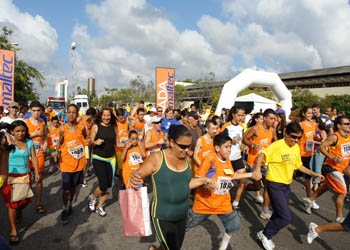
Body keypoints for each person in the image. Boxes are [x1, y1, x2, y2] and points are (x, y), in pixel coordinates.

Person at [130, 125, 216, 250]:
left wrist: (204, 180)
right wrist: (134, 176)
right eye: (183, 146)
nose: (187, 150)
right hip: (162, 215)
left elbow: (185, 184)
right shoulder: (157, 158)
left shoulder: (186, 159)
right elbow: (137, 175)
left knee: (173, 247)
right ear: (171, 142)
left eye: (189, 146)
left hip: (182, 214)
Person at [255, 122, 324, 250]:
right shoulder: (277, 145)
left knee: (278, 213)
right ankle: (265, 235)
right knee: (286, 217)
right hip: (274, 183)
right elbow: (261, 155)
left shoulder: (295, 147)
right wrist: (257, 170)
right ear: (286, 133)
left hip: (286, 185)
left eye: (299, 138)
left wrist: (314, 174)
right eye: (293, 137)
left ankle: (264, 233)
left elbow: (298, 165)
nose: (296, 140)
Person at [186, 133, 262, 250]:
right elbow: (198, 179)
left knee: (234, 224)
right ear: (217, 148)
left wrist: (252, 174)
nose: (229, 150)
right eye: (226, 147)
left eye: (230, 147)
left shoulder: (226, 160)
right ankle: (166, 243)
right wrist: (207, 184)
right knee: (185, 225)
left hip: (223, 203)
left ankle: (222, 248)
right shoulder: (210, 159)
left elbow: (232, 175)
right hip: (205, 204)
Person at [304, 116, 350, 222]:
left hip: (342, 168)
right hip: (331, 168)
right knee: (342, 193)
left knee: (326, 187)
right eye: (346, 124)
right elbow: (321, 147)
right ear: (339, 125)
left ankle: (309, 200)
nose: (349, 126)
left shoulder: (348, 136)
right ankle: (339, 217)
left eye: (349, 123)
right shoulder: (334, 137)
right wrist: (332, 157)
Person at [2, 120, 40, 244]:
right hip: (10, 177)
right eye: (17, 131)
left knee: (24, 201)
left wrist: (37, 173)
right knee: (12, 204)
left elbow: (33, 157)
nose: (21, 133)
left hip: (25, 176)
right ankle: (13, 230)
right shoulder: (7, 143)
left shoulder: (29, 142)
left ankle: (19, 211)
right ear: (12, 132)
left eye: (23, 130)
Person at [51, 104, 87, 224]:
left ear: (77, 114)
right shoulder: (63, 129)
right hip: (66, 164)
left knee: (73, 188)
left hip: (78, 163)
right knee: (66, 189)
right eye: (69, 112)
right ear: (66, 114)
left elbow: (85, 140)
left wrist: (91, 142)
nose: (71, 114)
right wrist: (55, 152)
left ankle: (70, 205)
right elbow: (58, 143)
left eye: (74, 112)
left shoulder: (81, 127)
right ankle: (65, 208)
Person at [243, 108, 277, 220]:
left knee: (267, 186)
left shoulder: (272, 130)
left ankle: (265, 210)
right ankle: (241, 188)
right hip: (253, 162)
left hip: (266, 163)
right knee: (257, 186)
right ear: (265, 118)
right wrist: (252, 145)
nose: (273, 120)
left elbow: (275, 143)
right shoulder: (256, 129)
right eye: (271, 118)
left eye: (274, 119)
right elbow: (244, 139)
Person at [88, 107, 118, 217]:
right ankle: (92, 197)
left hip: (111, 159)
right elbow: (90, 143)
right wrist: (95, 142)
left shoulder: (114, 127)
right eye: (104, 115)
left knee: (109, 185)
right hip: (99, 158)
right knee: (103, 184)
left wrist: (130, 145)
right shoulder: (96, 127)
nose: (106, 117)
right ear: (101, 116)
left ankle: (99, 206)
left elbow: (118, 144)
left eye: (108, 115)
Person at [220, 106, 247, 211]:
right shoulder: (226, 127)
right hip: (228, 159)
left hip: (238, 157)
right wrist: (231, 141)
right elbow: (220, 142)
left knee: (243, 181)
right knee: (226, 183)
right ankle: (224, 203)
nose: (241, 117)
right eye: (239, 115)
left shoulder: (241, 127)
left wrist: (244, 146)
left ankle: (235, 202)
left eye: (242, 115)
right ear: (233, 115)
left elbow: (242, 140)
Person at [25, 100, 47, 214]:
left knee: (39, 179)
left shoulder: (42, 122)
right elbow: (21, 137)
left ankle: (39, 203)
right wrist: (34, 134)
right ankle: (21, 204)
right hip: (27, 155)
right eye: (34, 110)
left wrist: (46, 143)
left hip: (39, 153)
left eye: (38, 110)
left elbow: (46, 134)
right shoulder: (25, 122)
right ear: (30, 110)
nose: (36, 113)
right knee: (26, 181)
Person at [297, 106, 318, 206]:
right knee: (308, 174)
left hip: (310, 152)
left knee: (301, 174)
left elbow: (313, 135)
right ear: (303, 114)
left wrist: (317, 137)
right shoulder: (300, 125)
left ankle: (309, 198)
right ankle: (310, 199)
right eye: (308, 113)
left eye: (311, 113)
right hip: (301, 153)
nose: (310, 115)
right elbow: (296, 138)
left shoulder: (313, 123)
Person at [310, 117, 327, 191]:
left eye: (314, 122)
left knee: (317, 168)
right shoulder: (313, 131)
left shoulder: (322, 131)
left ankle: (316, 184)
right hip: (312, 150)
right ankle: (310, 183)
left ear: (318, 123)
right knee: (311, 167)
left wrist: (315, 141)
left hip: (320, 151)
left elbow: (325, 143)